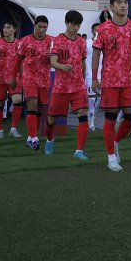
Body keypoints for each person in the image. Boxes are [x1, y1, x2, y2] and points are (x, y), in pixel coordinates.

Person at [92, 0, 131, 172]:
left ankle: (114, 142)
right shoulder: (103, 28)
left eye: (125, 2)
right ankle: (111, 158)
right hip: (109, 80)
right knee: (110, 118)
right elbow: (96, 54)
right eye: (119, 3)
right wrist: (94, 78)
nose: (123, 5)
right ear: (111, 7)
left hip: (128, 80)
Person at [47, 10, 91, 159]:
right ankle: (49, 139)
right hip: (61, 87)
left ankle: (79, 151)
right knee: (52, 119)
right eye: (73, 24)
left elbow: (83, 62)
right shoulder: (57, 40)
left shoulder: (81, 42)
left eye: (78, 25)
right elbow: (53, 62)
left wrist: (84, 80)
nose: (76, 28)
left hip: (78, 86)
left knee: (83, 113)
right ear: (67, 23)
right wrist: (62, 66)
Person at [14, 16, 54, 150]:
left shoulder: (51, 41)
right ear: (34, 26)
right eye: (39, 27)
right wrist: (13, 77)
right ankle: (35, 138)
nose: (42, 30)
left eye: (44, 27)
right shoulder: (25, 41)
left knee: (39, 110)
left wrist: (52, 58)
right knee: (32, 105)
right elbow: (18, 60)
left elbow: (56, 59)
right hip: (29, 78)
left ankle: (31, 138)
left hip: (44, 79)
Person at [0, 21, 22, 139]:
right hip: (0, 78)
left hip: (14, 78)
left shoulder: (19, 44)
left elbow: (21, 61)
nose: (5, 29)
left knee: (17, 100)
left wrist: (22, 75)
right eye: (4, 27)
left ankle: (13, 129)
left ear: (14, 30)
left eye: (8, 27)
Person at [85, 23, 100, 131]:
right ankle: (90, 124)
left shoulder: (104, 43)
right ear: (92, 31)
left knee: (100, 100)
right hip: (90, 75)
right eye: (95, 29)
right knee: (91, 99)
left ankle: (92, 118)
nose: (97, 31)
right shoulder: (87, 43)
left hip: (102, 75)